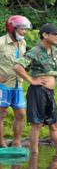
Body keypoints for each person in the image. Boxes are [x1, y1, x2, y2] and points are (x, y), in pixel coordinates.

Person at [15, 24, 57, 154]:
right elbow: (17, 67)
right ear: (45, 35)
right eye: (55, 34)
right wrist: (32, 80)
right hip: (38, 92)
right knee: (37, 125)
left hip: (49, 92)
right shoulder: (35, 51)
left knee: (55, 124)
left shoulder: (55, 50)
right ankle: (34, 155)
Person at [0, 16, 30, 148]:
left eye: (25, 29)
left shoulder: (23, 43)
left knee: (21, 113)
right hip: (3, 86)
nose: (25, 32)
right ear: (12, 29)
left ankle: (17, 142)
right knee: (2, 114)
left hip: (18, 84)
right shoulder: (1, 43)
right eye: (22, 29)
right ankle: (1, 143)